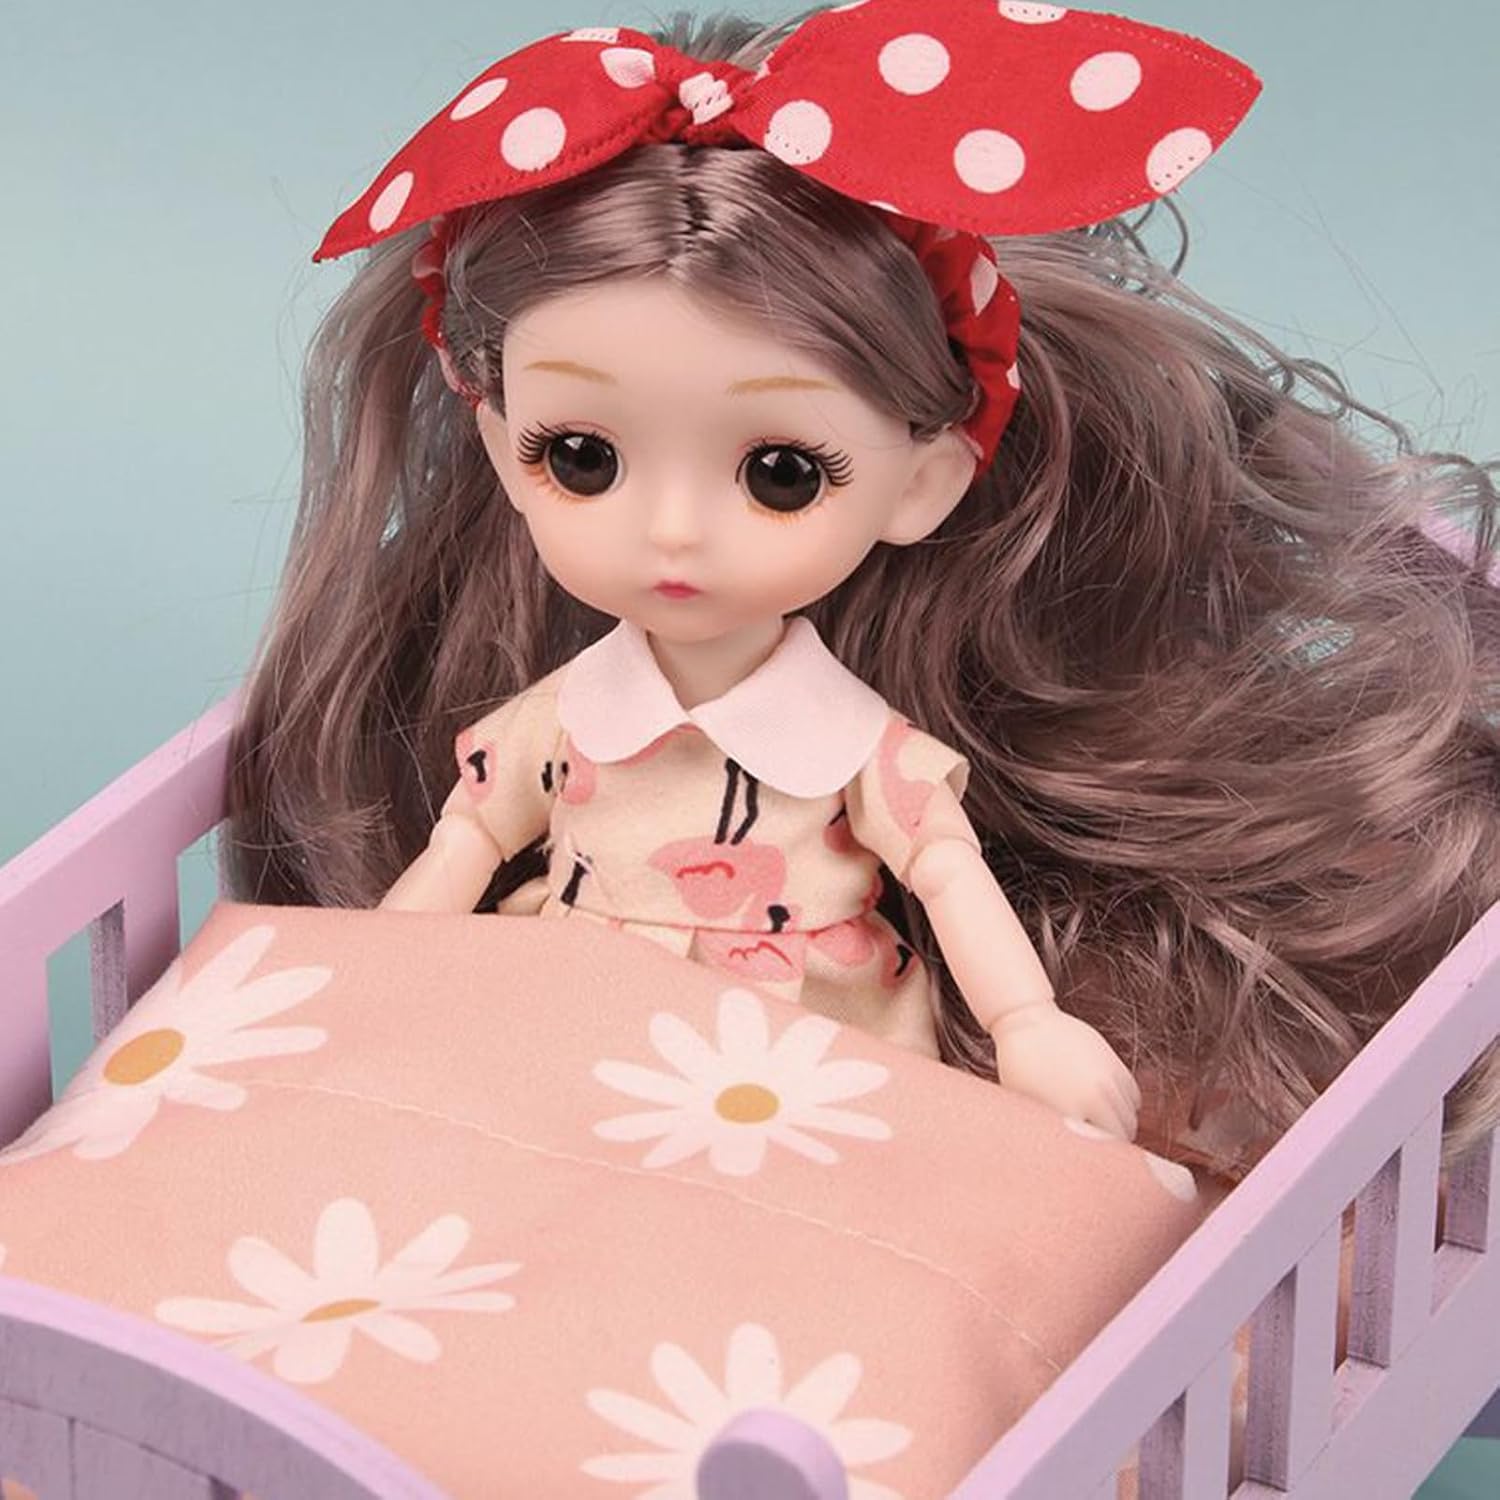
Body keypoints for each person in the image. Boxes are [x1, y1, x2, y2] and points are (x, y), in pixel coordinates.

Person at [224, 0, 1500, 1178]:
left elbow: (946, 877)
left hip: (817, 1063)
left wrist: (1029, 1026)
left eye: (781, 473)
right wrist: (371, 981)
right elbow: (463, 848)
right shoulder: (558, 721)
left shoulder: (859, 750)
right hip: (564, 1028)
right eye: (582, 457)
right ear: (503, 443)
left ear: (923, 483)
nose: (673, 533)